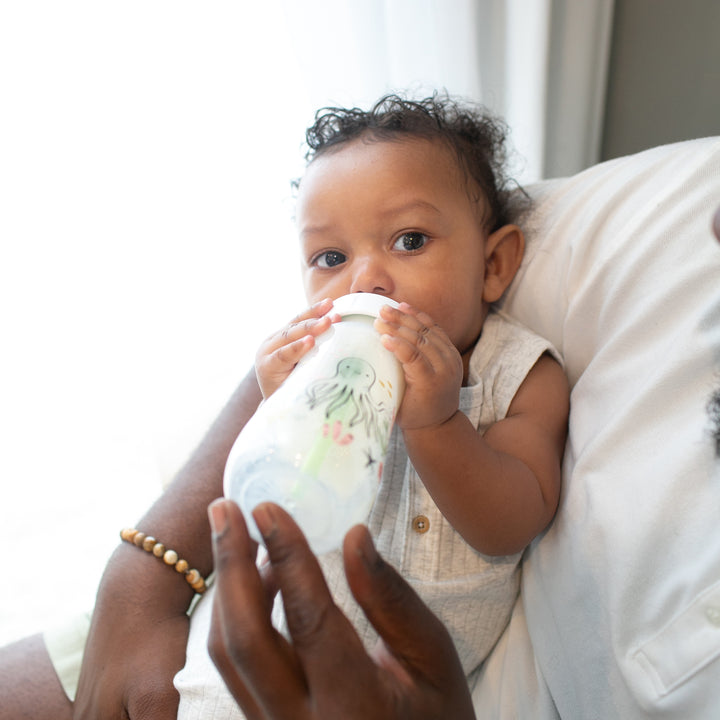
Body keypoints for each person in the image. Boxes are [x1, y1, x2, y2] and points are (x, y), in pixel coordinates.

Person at [172, 94, 568, 716]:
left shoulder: (519, 374)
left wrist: (437, 422)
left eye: (409, 240)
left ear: (493, 266)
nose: (364, 282)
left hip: (404, 683)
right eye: (330, 258)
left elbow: (515, 520)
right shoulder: (316, 366)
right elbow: (265, 488)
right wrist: (278, 402)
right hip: (266, 643)